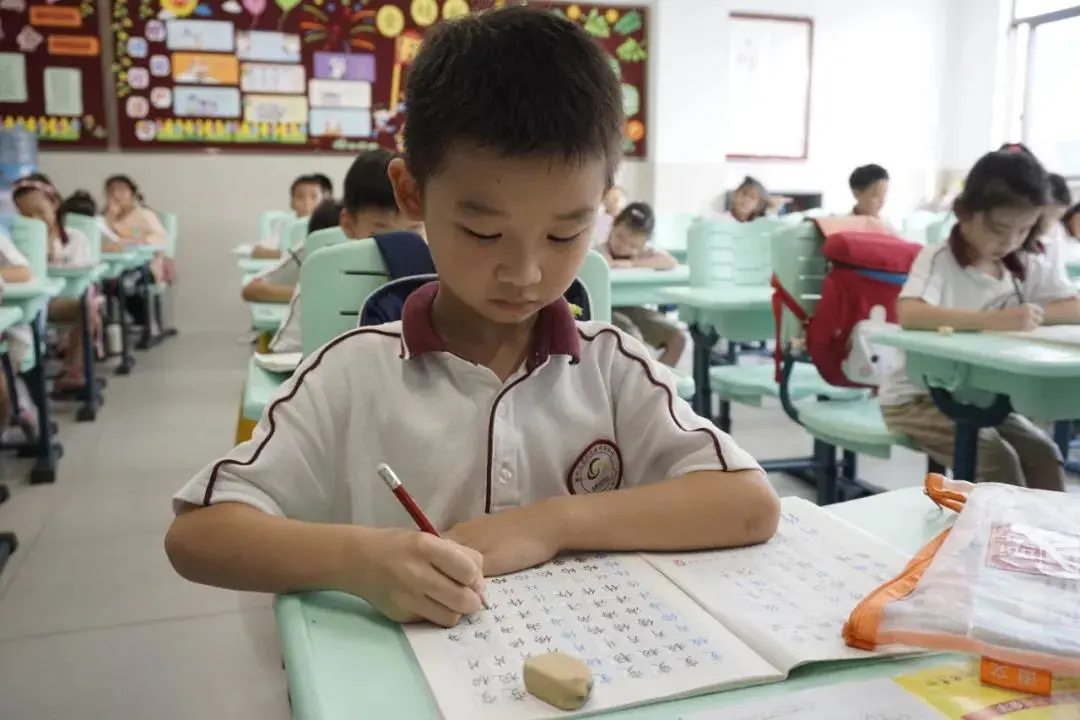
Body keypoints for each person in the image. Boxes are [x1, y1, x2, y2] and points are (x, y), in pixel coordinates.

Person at [166, 6, 777, 629]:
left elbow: (749, 503)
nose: (526, 274)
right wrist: (359, 559)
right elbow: (198, 536)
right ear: (412, 195)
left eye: (566, 235)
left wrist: (552, 523)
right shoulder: (351, 374)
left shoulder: (612, 368)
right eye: (484, 233)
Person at [879, 150, 1080, 490]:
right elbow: (911, 313)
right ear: (965, 212)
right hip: (916, 398)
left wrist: (1031, 316)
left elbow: (1074, 307)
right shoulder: (940, 259)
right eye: (999, 229)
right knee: (994, 457)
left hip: (983, 397)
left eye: (1024, 230)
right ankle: (995, 540)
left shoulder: (1022, 261)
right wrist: (997, 320)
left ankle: (1043, 538)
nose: (1010, 241)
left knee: (1044, 453)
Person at [241, 148, 414, 306]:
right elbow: (253, 288)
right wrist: (314, 294)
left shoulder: (432, 273)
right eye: (383, 233)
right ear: (348, 224)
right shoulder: (322, 258)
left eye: (415, 232)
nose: (399, 248)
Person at [13, 180, 97, 390]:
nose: (35, 220)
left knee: (86, 309)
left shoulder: (75, 238)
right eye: (26, 216)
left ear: (55, 204)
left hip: (56, 302)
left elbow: (81, 275)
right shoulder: (17, 245)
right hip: (29, 306)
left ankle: (71, 368)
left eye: (40, 211)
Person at [600, 202, 686, 366]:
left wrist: (632, 263)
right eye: (620, 237)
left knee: (678, 338)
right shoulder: (600, 251)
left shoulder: (643, 254)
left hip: (632, 308)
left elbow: (670, 261)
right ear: (613, 226)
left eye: (633, 245)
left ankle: (655, 385)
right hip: (604, 308)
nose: (624, 247)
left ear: (644, 244)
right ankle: (636, 385)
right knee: (634, 339)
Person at [250, 174, 330, 260]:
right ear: (291, 203)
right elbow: (260, 251)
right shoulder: (284, 224)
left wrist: (285, 255)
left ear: (324, 202)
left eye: (314, 197)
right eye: (300, 197)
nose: (307, 202)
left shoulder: (327, 224)